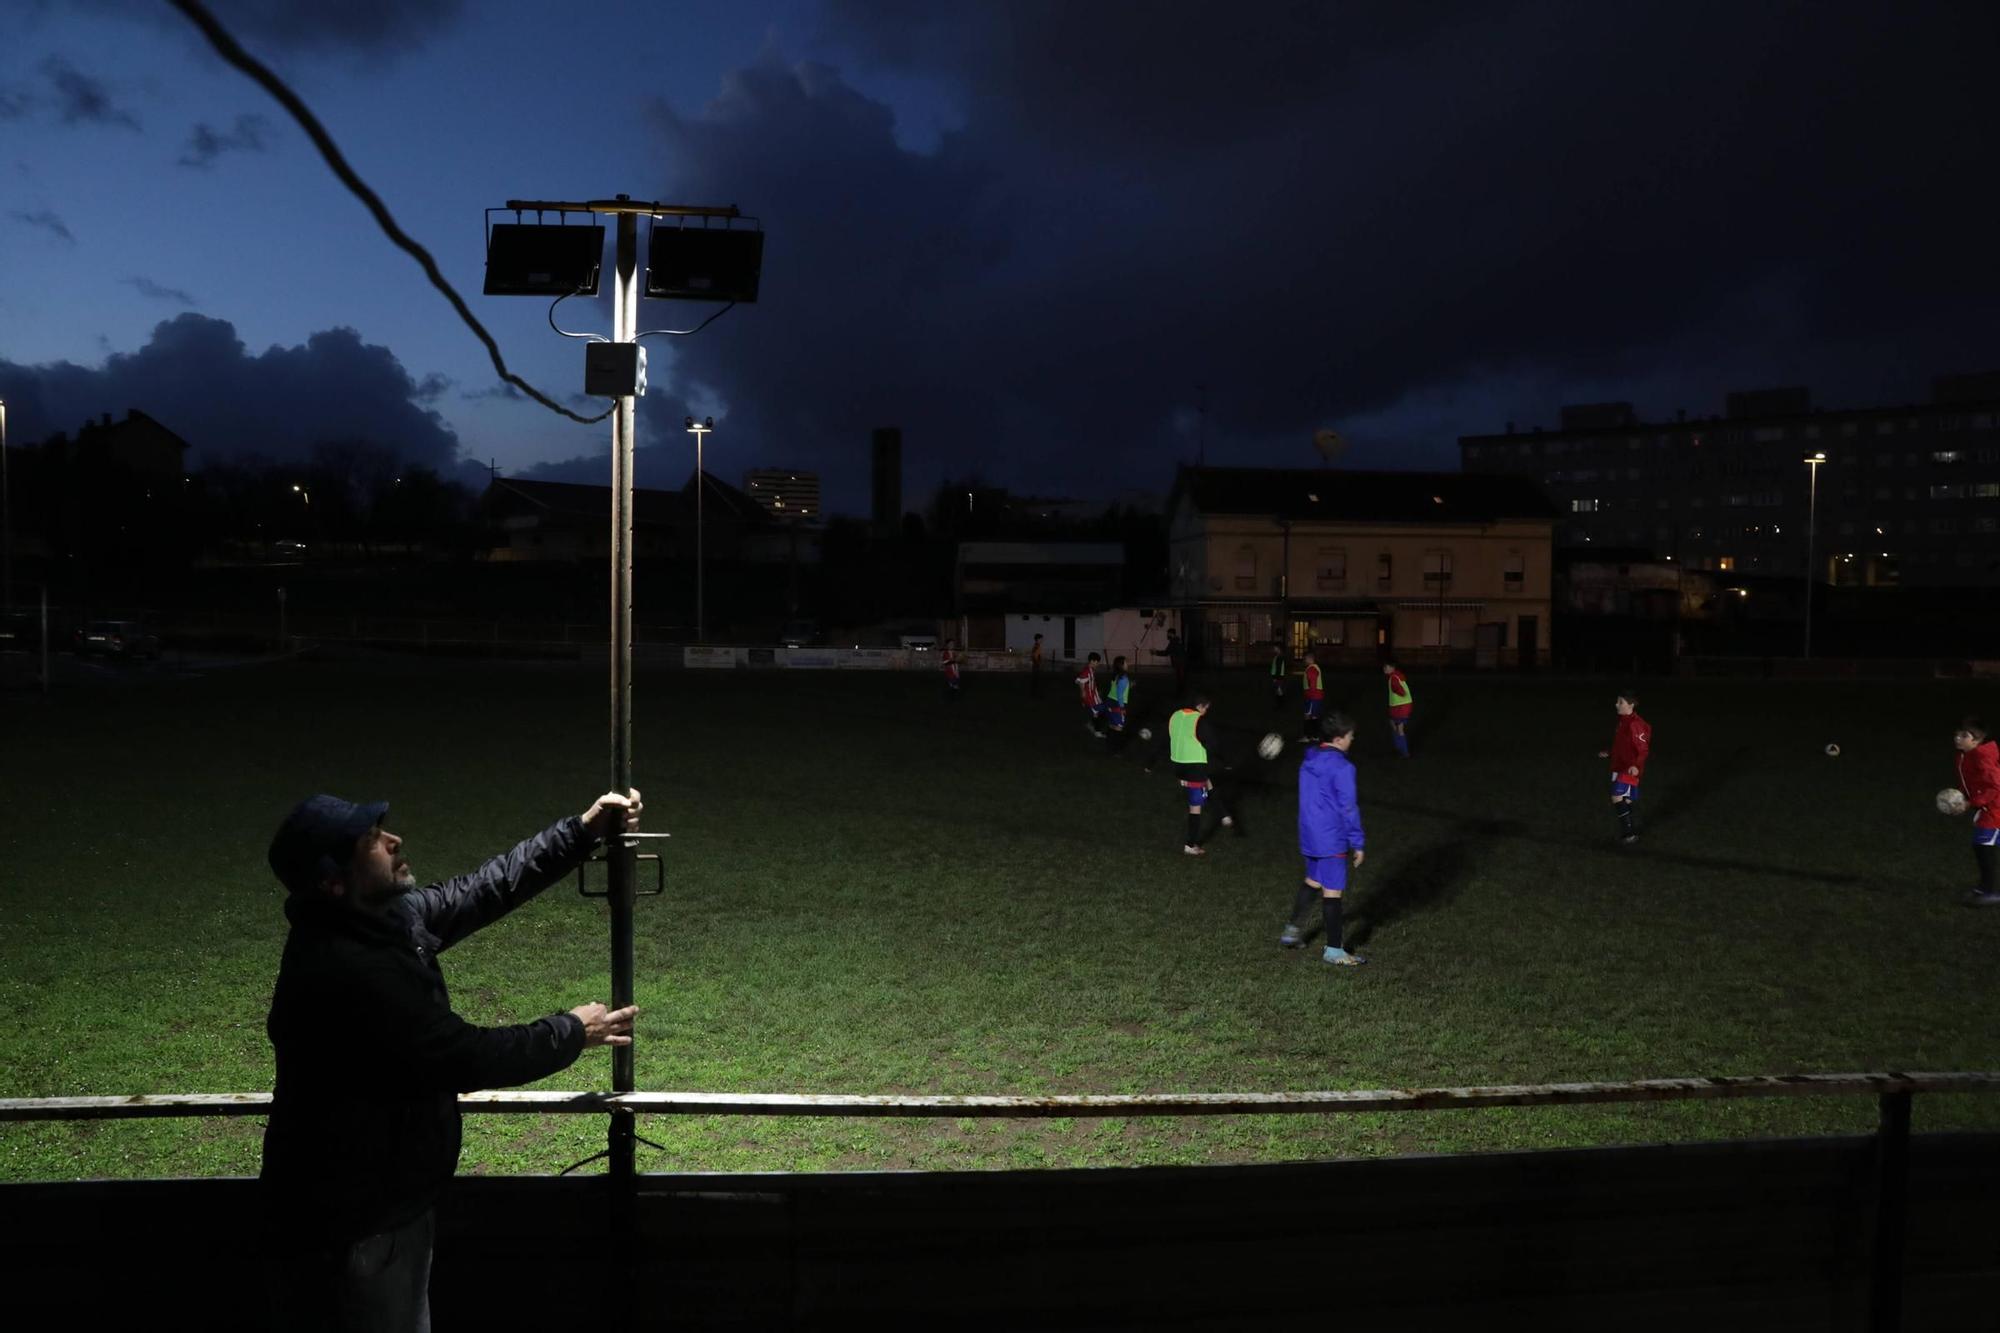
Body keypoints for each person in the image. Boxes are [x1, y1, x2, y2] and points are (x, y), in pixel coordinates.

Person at [260, 790, 642, 1330]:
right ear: (333, 880)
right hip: (357, 1228)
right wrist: (572, 1031)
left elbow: (484, 889)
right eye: (371, 840)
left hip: (378, 1209)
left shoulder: (380, 919)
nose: (393, 841)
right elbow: (464, 1055)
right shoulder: (349, 973)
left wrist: (581, 831)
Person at [1282, 711, 1367, 965]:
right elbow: (1348, 807)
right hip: (1331, 837)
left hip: (1309, 833)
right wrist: (1358, 842)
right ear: (1339, 739)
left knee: (1313, 880)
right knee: (1333, 893)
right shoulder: (1343, 767)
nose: (1352, 741)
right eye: (1350, 737)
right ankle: (1334, 950)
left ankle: (1292, 931)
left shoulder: (1310, 758)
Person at [1951, 717, 2000, 905]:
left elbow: (1995, 787)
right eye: (1957, 734)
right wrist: (1961, 800)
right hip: (1988, 807)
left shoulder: (1982, 757)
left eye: (1964, 735)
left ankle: (1989, 891)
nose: (1957, 738)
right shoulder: (1964, 756)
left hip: (1995, 809)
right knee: (1982, 846)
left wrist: (1971, 803)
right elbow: (1968, 783)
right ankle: (1984, 888)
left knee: (1983, 845)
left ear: (1977, 740)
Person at [1168, 693, 1219, 856]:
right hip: (1194, 768)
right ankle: (1190, 845)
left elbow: (1166, 738)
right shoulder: (1199, 720)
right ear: (1200, 707)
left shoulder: (1176, 716)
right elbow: (1212, 744)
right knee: (1196, 807)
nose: (1205, 712)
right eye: (1205, 709)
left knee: (1208, 783)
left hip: (1178, 767)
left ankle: (1224, 814)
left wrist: (1150, 762)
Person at [1597, 690, 1651, 844]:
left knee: (1617, 797)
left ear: (1631, 705)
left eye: (1620, 702)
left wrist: (1636, 765)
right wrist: (1609, 752)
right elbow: (1621, 745)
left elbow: (1643, 749)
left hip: (1628, 768)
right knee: (1625, 801)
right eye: (1617, 701)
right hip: (1619, 765)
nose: (1616, 704)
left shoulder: (1635, 724)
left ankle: (1629, 834)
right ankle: (1631, 831)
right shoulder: (1623, 721)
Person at [1383, 660, 1413, 758]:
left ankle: (1404, 751)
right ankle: (1399, 747)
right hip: (1401, 706)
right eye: (1384, 667)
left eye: (1386, 667)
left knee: (1399, 729)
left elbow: (1401, 691)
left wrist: (1397, 690)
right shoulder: (1397, 675)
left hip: (1401, 706)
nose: (1384, 669)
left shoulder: (1394, 678)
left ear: (1392, 668)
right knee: (1393, 724)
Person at [1075, 651, 1107, 737]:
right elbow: (1081, 681)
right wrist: (1083, 692)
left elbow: (1078, 680)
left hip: (1094, 695)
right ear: (1092, 661)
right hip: (1091, 697)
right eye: (1097, 662)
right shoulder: (1087, 671)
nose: (1098, 664)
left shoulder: (1090, 670)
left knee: (1097, 713)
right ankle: (1097, 731)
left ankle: (1092, 725)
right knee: (1101, 712)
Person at [1105, 654, 1132, 745]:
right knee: (1119, 726)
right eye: (1126, 663)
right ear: (1121, 665)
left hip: (1110, 701)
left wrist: (1129, 685)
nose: (1127, 664)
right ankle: (1115, 748)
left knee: (1112, 723)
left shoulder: (1116, 675)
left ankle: (1109, 743)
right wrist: (1122, 708)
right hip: (1117, 703)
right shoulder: (1124, 678)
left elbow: (1116, 688)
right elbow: (1120, 694)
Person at [1155, 628, 1189, 695]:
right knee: (1181, 679)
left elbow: (1166, 652)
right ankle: (1181, 693)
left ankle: (1180, 695)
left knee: (1180, 679)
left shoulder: (1173, 642)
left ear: (1171, 634)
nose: (1167, 635)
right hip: (1182, 662)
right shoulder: (1177, 641)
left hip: (1180, 663)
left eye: (1168, 634)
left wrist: (1155, 652)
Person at [1300, 649, 1324, 740]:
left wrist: (1309, 696)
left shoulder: (1311, 669)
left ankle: (1307, 736)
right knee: (1314, 716)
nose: (1304, 661)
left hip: (1312, 697)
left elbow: (1312, 684)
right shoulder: (1315, 667)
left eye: (1305, 659)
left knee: (1308, 716)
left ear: (1309, 659)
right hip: (1316, 696)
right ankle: (1315, 736)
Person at [1270, 642, 1288, 711]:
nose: (1274, 649)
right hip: (1278, 676)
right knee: (1278, 690)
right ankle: (1279, 704)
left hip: (1279, 677)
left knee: (1279, 690)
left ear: (1278, 648)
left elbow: (1280, 669)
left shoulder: (1280, 657)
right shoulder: (1278, 656)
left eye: (1275, 648)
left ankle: (1280, 705)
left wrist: (1276, 677)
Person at [1029, 632, 1045, 697]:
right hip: (1036, 666)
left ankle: (1034, 694)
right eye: (1041, 639)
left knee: (1035, 680)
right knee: (1036, 680)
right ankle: (1035, 695)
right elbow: (1034, 656)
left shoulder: (1036, 646)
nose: (1042, 640)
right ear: (1038, 639)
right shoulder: (1037, 646)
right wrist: (1038, 663)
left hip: (1036, 665)